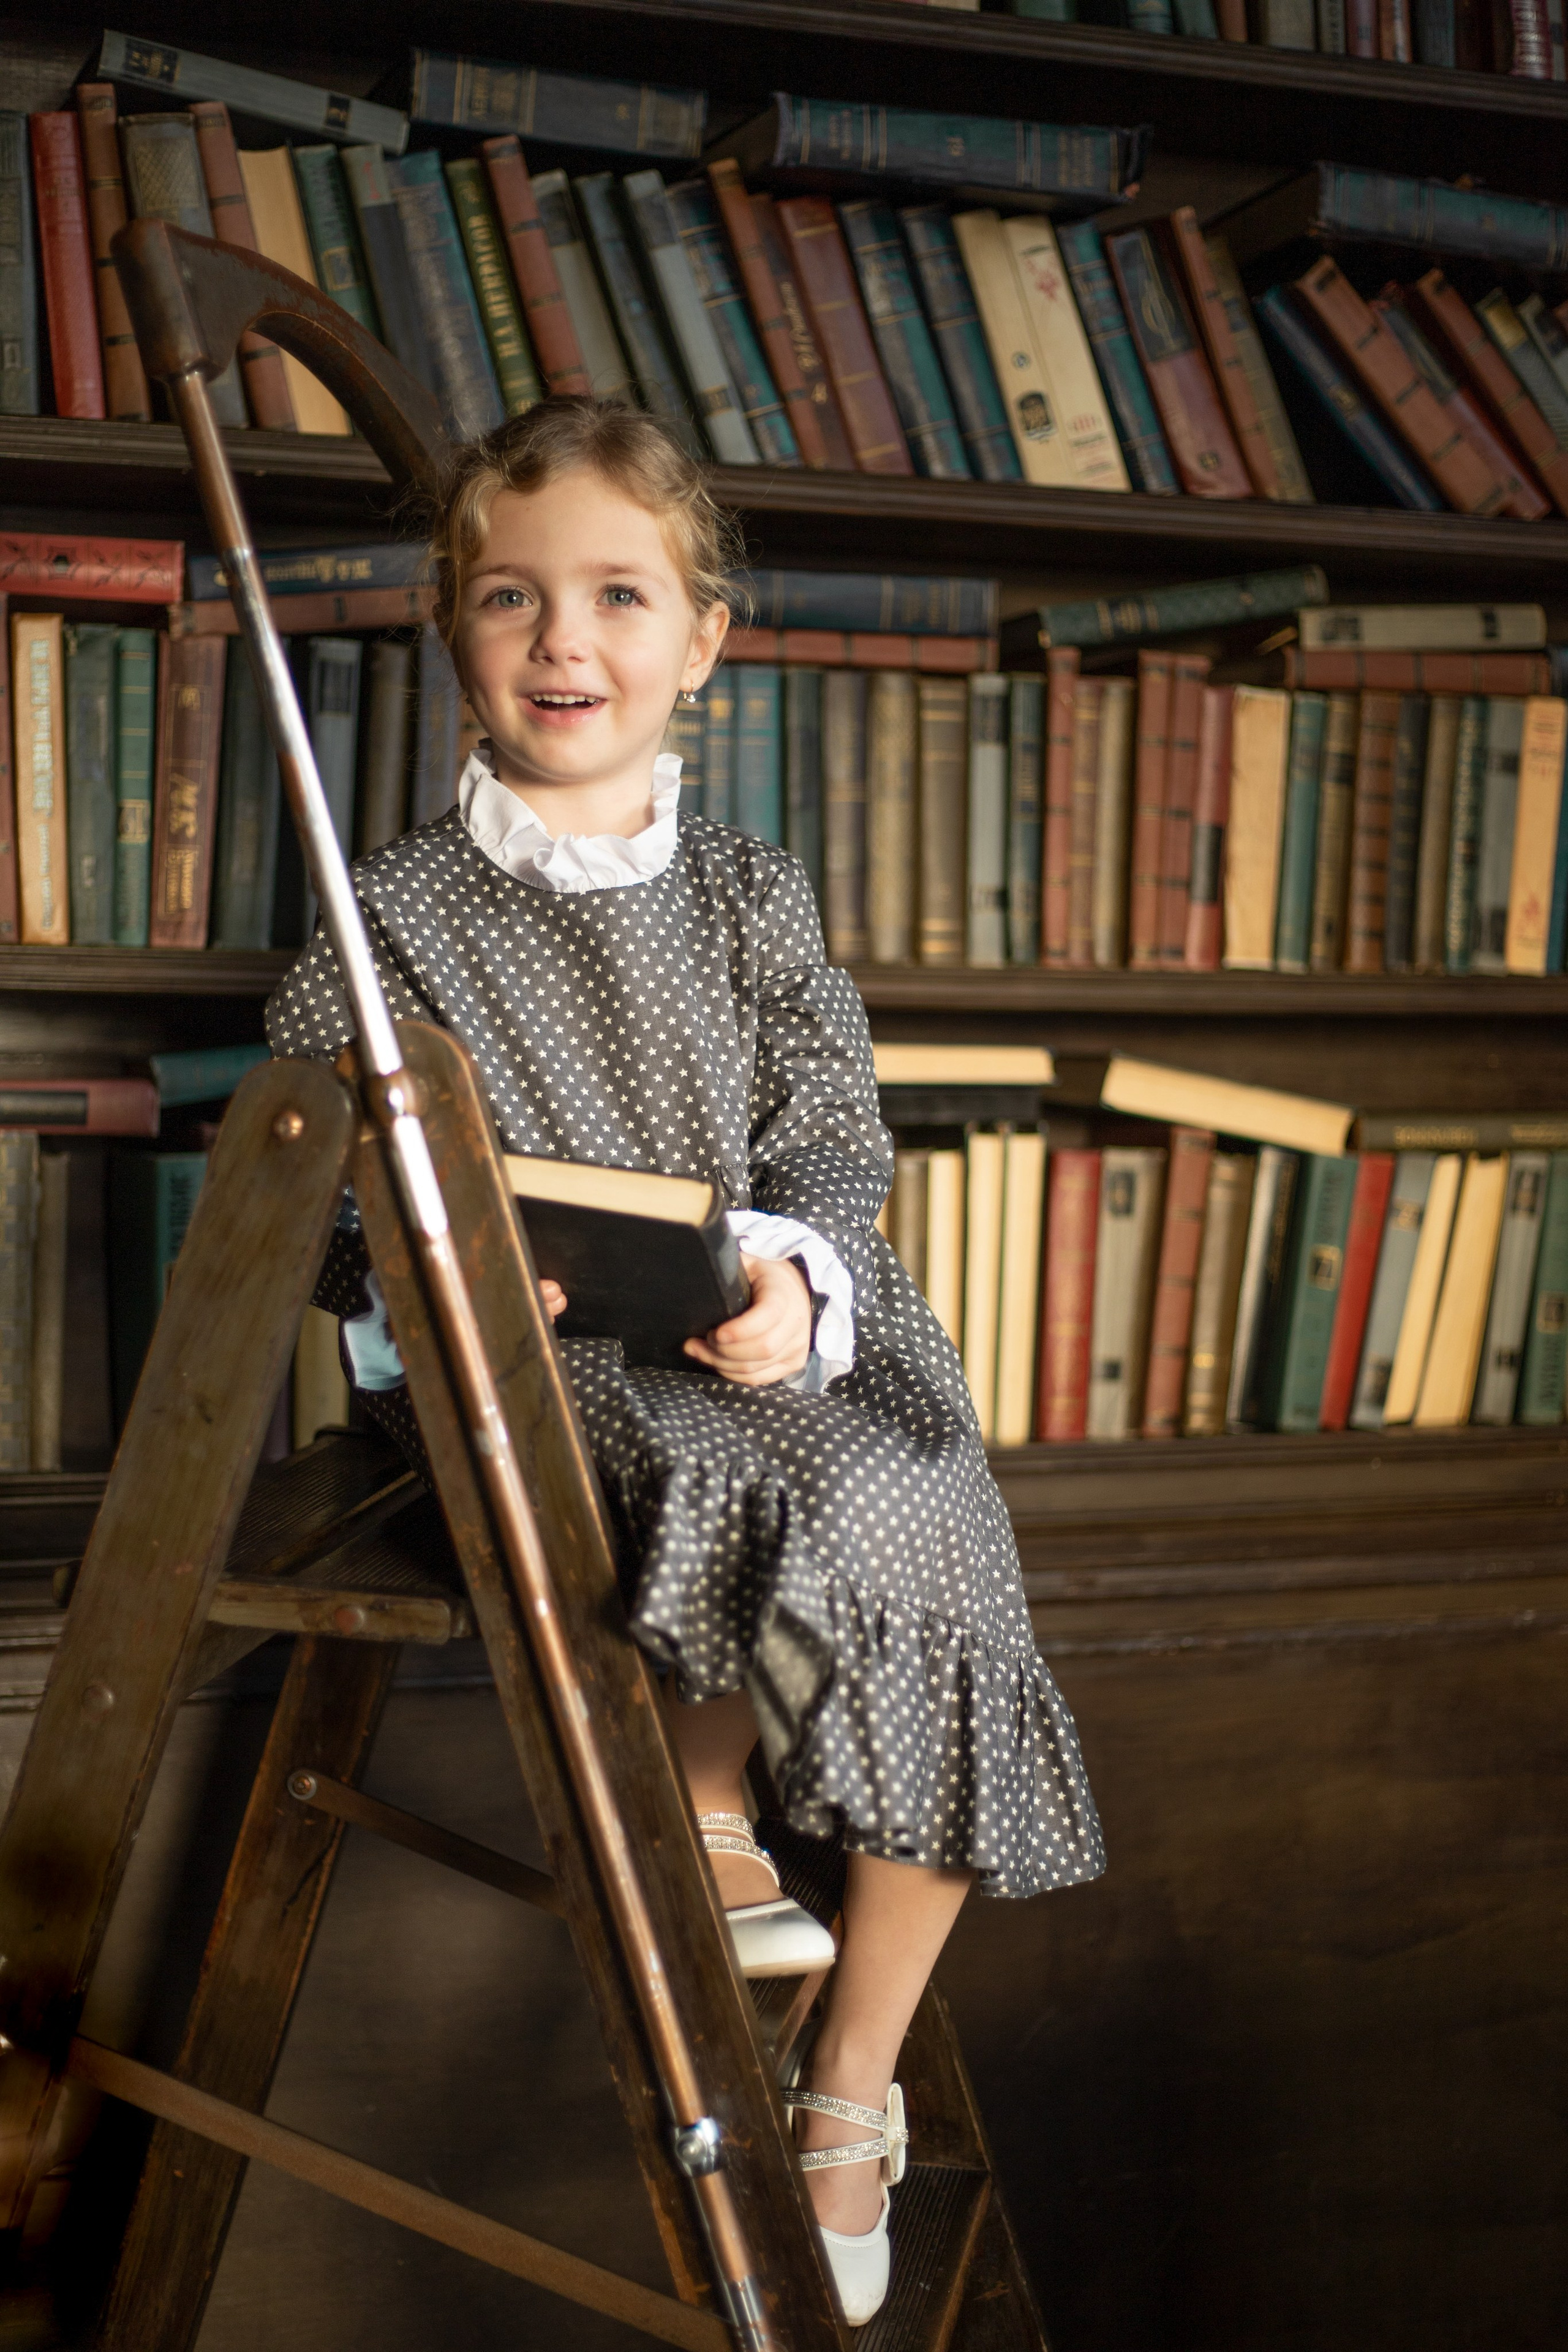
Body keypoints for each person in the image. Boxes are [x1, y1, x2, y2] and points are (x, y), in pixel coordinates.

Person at [266, 397, 1104, 2324]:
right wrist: (443, 1260)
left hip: (744, 1329)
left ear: (703, 639)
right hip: (529, 1362)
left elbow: (827, 1127)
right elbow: (311, 1210)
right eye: (511, 599)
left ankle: (852, 2079)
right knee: (739, 1478)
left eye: (619, 597)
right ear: (452, 633)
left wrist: (800, 1284)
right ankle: (714, 1803)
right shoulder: (383, 916)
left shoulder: (751, 894)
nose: (566, 641)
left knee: (921, 1502)